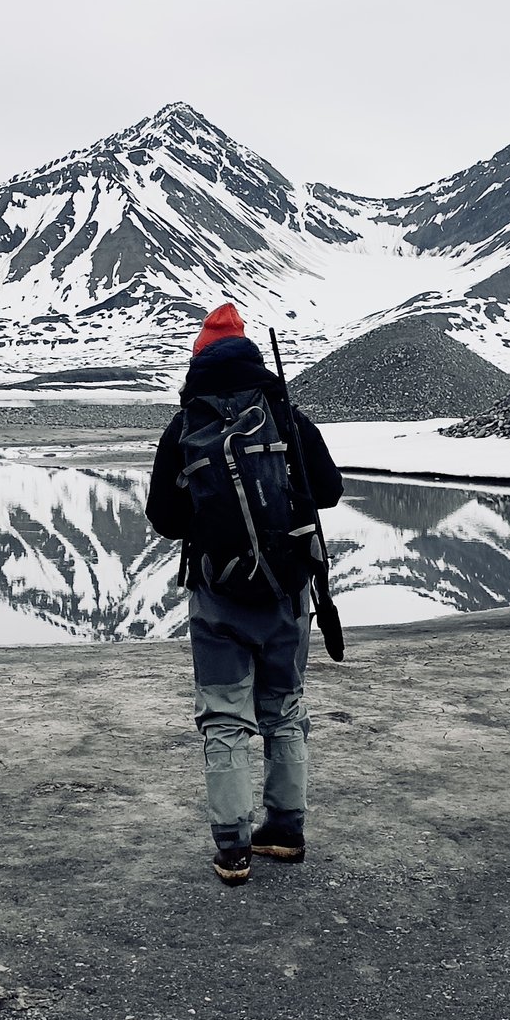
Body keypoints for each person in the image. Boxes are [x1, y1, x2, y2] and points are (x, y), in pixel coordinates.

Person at [145, 303, 343, 885]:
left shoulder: (186, 426)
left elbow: (164, 517)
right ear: (252, 355)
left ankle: (232, 846)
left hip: (218, 598)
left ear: (199, 360)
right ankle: (285, 830)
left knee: (225, 717)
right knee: (284, 710)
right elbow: (328, 491)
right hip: (288, 592)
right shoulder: (285, 417)